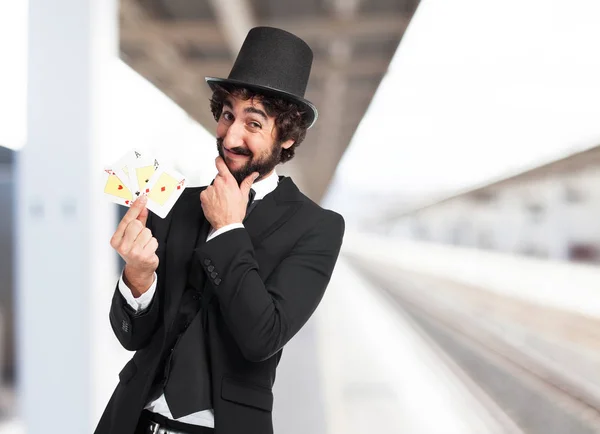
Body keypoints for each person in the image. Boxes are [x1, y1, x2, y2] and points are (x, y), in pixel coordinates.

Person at [95, 27, 345, 434]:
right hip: (132, 421)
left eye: (253, 123)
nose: (231, 136)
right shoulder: (176, 203)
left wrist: (228, 228)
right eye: (228, 115)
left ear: (287, 138)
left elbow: (262, 337)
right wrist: (137, 279)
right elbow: (133, 337)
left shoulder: (317, 228)